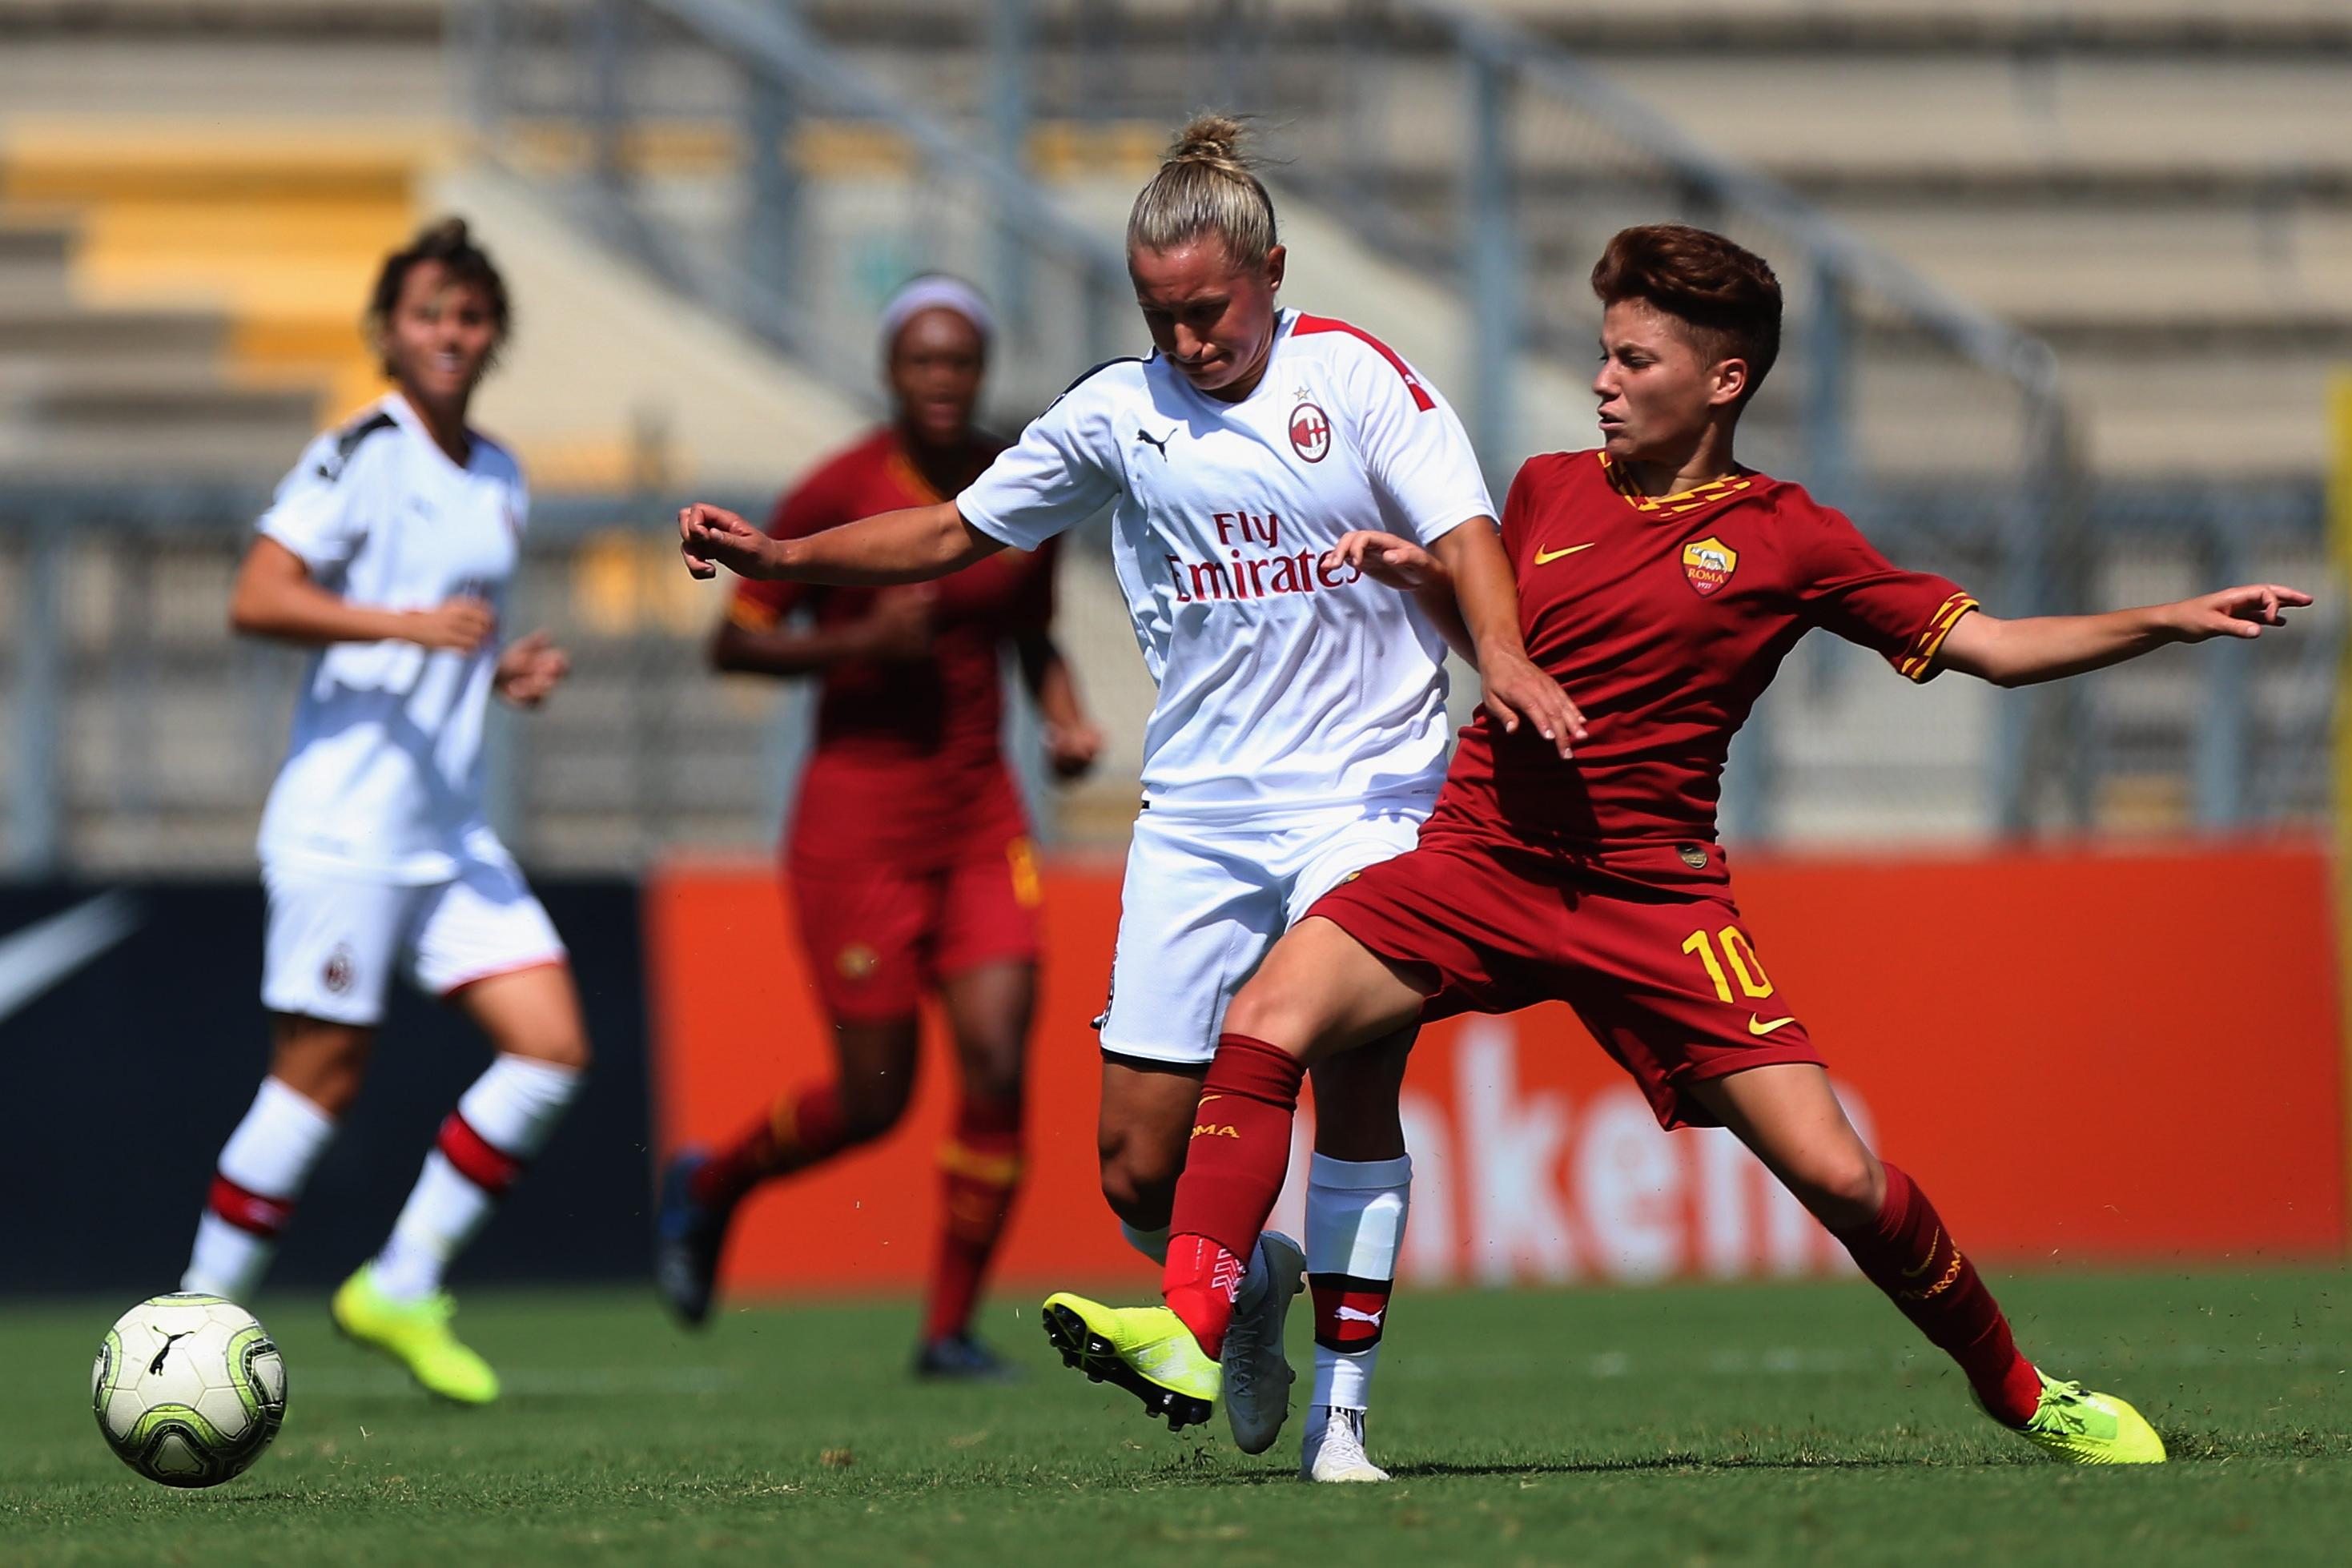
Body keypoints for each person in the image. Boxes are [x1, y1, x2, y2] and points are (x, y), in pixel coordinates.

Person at [1044, 223, 2311, 1468]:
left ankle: (2025, 1391)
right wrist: (1423, 583)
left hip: (1652, 897)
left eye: (1634, 362)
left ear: (1723, 380)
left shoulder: (1786, 536)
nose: (1603, 381)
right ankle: (1200, 1323)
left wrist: (2166, 619)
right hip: (1480, 860)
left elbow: (1988, 644)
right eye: (1602, 354)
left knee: (1842, 1176)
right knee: (1270, 1012)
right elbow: (1504, 653)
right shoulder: (1539, 489)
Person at [677, 115, 1578, 1480]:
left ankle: (1343, 1423)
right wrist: (785, 548)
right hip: (1200, 815)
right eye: (1160, 315)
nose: (1188, 340)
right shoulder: (1117, 410)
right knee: (1132, 1171)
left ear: (1272, 270)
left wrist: (1499, 655)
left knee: (1341, 1077)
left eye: (1208, 310)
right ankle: (1254, 1291)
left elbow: (1465, 533)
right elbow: (948, 529)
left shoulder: (1360, 377)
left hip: (1367, 797)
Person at [652, 276, 1104, 1379]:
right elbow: (734, 646)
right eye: (923, 362)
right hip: (857, 827)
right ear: (891, 372)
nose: (943, 382)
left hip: (980, 817)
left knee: (998, 1063)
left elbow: (1030, 632)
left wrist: (1059, 710)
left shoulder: (1018, 482)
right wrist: (854, 648)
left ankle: (946, 1328)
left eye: (960, 363)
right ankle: (710, 1184)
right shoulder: (837, 487)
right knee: (875, 1097)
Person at [179, 218, 587, 1405]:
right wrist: (409, 628)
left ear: (492, 331)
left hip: (446, 830)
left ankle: (402, 1280)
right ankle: (194, 1322)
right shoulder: (361, 448)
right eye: (427, 315)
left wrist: (495, 669)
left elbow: (443, 629)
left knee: (551, 1049)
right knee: (318, 1079)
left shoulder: (499, 471)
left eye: (468, 316)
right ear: (387, 334)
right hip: (345, 825)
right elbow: (258, 595)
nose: (449, 334)